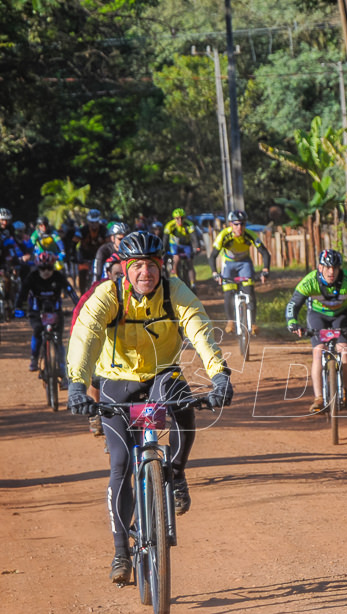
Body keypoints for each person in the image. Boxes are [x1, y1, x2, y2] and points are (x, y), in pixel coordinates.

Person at [65, 231, 233, 584]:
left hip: (161, 374)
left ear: (162, 267)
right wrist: (78, 386)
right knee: (121, 463)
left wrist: (220, 376)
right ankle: (120, 551)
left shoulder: (175, 292)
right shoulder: (109, 295)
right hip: (116, 382)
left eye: (152, 265)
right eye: (137, 265)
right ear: (124, 268)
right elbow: (85, 337)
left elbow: (200, 330)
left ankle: (176, 470)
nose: (146, 273)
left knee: (183, 399)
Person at [285, 249, 347, 412]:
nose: (331, 271)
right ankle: (319, 398)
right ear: (320, 268)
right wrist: (292, 322)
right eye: (327, 268)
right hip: (317, 316)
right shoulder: (309, 281)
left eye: (335, 267)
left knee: (345, 351)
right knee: (319, 351)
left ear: (340, 268)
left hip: (341, 316)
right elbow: (293, 304)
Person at [14, 251, 79, 382]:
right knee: (37, 331)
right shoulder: (32, 277)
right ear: (38, 268)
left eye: (49, 268)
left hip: (55, 311)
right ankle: (34, 358)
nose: (46, 272)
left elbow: (70, 290)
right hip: (36, 312)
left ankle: (62, 368)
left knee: (58, 338)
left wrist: (79, 305)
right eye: (42, 268)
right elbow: (22, 293)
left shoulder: (58, 277)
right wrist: (18, 308)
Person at [211, 210, 270, 334]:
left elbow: (264, 252)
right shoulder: (224, 235)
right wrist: (215, 273)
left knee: (249, 291)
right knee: (228, 292)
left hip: (244, 263)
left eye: (242, 224)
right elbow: (213, 256)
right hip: (228, 264)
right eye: (236, 224)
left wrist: (265, 270)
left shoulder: (250, 235)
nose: (240, 227)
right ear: (231, 225)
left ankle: (253, 323)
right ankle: (230, 321)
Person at [164, 208, 200, 288]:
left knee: (189, 261)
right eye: (177, 218)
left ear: (184, 218)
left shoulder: (189, 224)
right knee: (176, 258)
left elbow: (194, 236)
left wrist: (197, 247)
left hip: (186, 244)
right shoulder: (170, 225)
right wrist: (163, 249)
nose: (180, 220)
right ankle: (176, 279)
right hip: (174, 244)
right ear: (174, 219)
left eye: (182, 218)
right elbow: (165, 238)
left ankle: (192, 283)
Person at [76, 209, 108, 292]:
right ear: (88, 221)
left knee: (102, 273)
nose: (94, 225)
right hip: (85, 255)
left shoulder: (104, 230)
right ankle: (82, 293)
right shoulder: (83, 230)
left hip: (100, 255)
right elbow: (74, 242)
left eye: (96, 222)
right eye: (91, 222)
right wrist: (72, 255)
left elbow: (109, 244)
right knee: (82, 272)